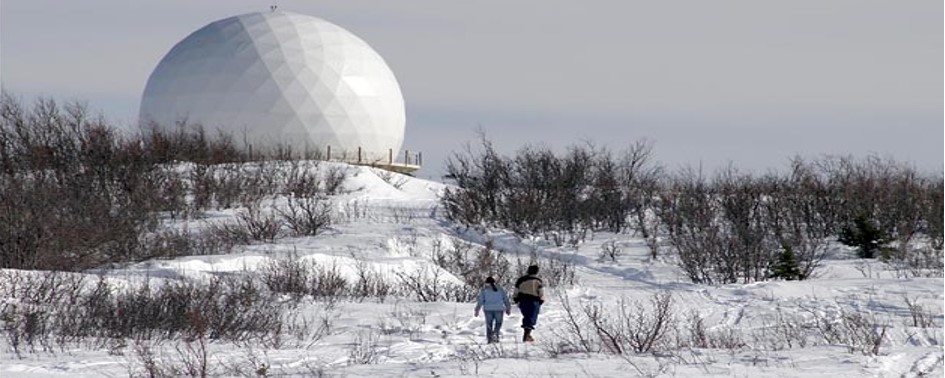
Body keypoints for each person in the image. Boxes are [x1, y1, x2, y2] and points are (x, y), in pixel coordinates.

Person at [474, 276, 511, 343]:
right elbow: (506, 299)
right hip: (499, 309)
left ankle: (489, 339)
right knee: (498, 323)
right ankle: (495, 333)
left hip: (488, 309)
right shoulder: (500, 290)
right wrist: (508, 308)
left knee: (489, 324)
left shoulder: (484, 290)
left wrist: (477, 309)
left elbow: (480, 301)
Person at [513, 265, 544, 342]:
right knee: (532, 317)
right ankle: (526, 335)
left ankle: (527, 334)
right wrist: (541, 300)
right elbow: (541, 293)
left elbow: (516, 291)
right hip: (534, 301)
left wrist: (516, 299)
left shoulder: (521, 280)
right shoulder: (538, 281)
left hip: (523, 301)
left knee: (526, 316)